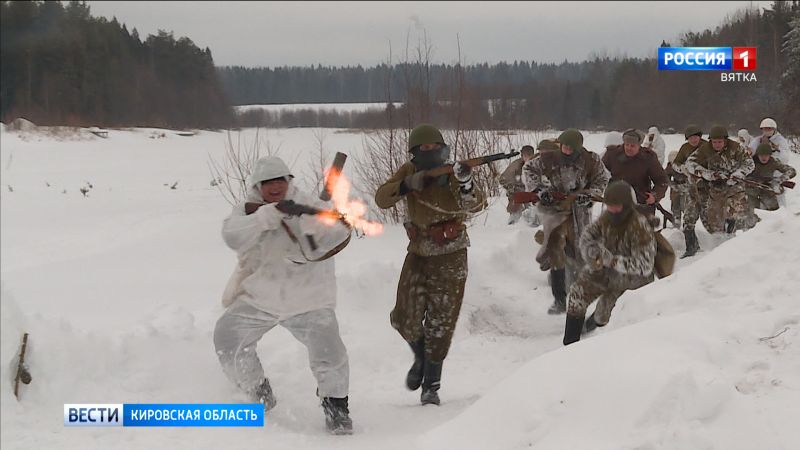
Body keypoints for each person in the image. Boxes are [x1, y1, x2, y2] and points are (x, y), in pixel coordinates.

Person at [214, 156, 355, 434]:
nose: (275, 187)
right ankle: (258, 393)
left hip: (308, 298)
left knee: (329, 351)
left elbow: (338, 235)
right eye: (268, 183)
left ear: (288, 182)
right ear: (258, 186)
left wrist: (315, 225)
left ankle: (336, 407)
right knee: (227, 337)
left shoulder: (311, 205)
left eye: (280, 180)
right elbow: (232, 236)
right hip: (261, 296)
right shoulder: (247, 210)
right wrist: (264, 218)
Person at [375, 124, 486, 406]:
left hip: (451, 253)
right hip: (418, 252)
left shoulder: (454, 171)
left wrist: (465, 182)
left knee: (441, 321)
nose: (429, 152)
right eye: (423, 149)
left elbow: (476, 205)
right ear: (414, 152)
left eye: (433, 147)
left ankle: (431, 386)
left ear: (442, 148)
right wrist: (407, 185)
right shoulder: (408, 171)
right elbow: (382, 198)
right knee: (404, 316)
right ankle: (421, 358)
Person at [522, 128, 610, 315]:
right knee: (556, 253)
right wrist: (539, 190)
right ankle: (559, 299)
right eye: (564, 146)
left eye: (570, 148)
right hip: (556, 212)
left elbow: (603, 178)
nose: (566, 150)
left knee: (581, 252)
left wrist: (590, 194)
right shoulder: (549, 158)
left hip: (580, 213)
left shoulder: (591, 160)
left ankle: (585, 293)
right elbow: (528, 168)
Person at [563, 181, 657, 345]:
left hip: (632, 280)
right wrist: (591, 250)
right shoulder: (607, 218)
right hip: (605, 271)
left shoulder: (640, 227)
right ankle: (569, 346)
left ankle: (594, 325)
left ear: (627, 206)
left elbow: (645, 266)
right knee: (577, 293)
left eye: (616, 206)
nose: (611, 210)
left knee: (605, 313)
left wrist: (613, 261)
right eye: (609, 206)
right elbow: (587, 236)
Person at [685, 126, 755, 235]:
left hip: (735, 185)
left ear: (725, 140)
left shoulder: (736, 148)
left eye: (720, 142)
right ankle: (719, 242)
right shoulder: (705, 149)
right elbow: (689, 163)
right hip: (715, 186)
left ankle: (740, 235)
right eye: (714, 142)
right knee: (714, 220)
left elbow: (750, 164)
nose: (717, 145)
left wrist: (738, 174)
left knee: (737, 210)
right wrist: (707, 174)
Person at [601, 128, 668, 218]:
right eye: (626, 145)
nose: (629, 148)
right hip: (615, 203)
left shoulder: (648, 158)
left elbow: (662, 181)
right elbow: (600, 174)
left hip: (641, 203)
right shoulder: (612, 154)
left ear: (639, 145)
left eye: (632, 146)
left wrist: (654, 196)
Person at [671, 125, 707, 257]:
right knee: (688, 219)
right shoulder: (685, 148)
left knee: (711, 221)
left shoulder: (707, 147)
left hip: (709, 189)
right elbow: (675, 163)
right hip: (692, 188)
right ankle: (691, 247)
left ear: (700, 136)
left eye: (695, 137)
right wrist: (683, 169)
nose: (693, 140)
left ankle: (721, 244)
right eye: (690, 138)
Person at [742, 143, 797, 229]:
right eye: (761, 155)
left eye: (766, 155)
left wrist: (779, 180)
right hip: (751, 191)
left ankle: (777, 230)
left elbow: (792, 171)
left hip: (767, 191)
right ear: (757, 155)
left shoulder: (774, 162)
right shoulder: (750, 161)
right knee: (751, 215)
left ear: (770, 155)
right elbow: (740, 173)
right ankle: (751, 233)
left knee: (774, 213)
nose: (764, 158)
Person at [499, 145, 536, 225]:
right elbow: (503, 180)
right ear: (522, 156)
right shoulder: (516, 165)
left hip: (532, 194)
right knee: (515, 212)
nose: (527, 158)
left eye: (529, 155)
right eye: (525, 156)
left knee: (533, 212)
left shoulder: (537, 163)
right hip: (517, 193)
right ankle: (512, 227)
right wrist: (512, 188)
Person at [664, 150, 685, 229]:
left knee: (684, 204)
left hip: (685, 186)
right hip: (675, 187)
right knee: (675, 203)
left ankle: (686, 221)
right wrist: (671, 184)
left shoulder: (684, 164)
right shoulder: (669, 166)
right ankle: (676, 219)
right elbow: (665, 176)